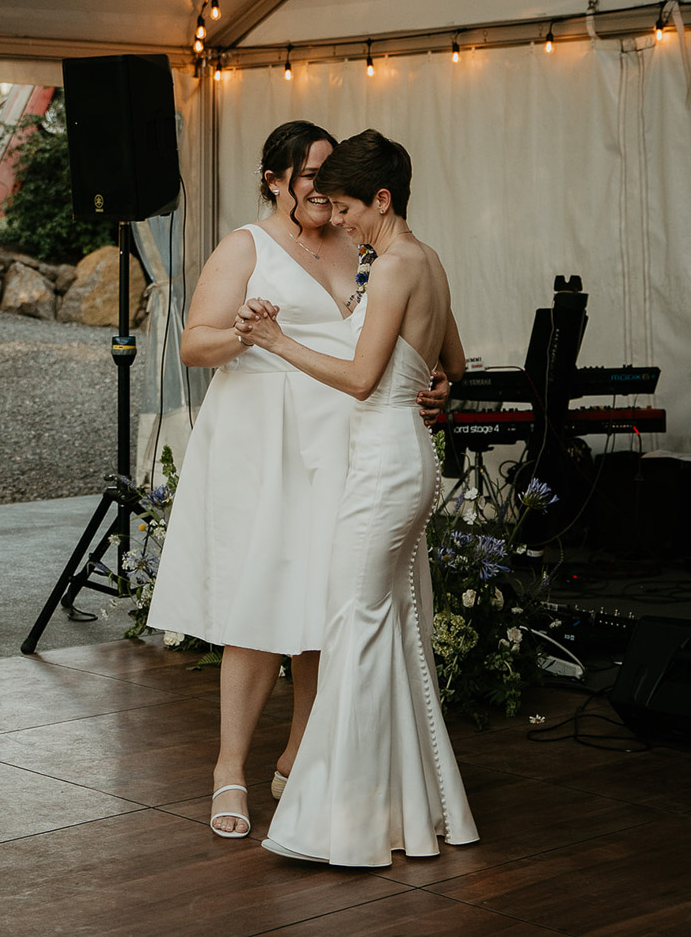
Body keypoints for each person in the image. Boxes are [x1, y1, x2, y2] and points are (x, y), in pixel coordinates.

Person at [147, 121, 450, 839]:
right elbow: (195, 343)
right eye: (308, 173)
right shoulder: (244, 246)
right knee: (257, 611)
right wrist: (247, 334)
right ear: (274, 179)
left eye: (328, 173)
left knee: (325, 609)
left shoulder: (364, 243)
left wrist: (430, 384)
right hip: (266, 445)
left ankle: (296, 760)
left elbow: (403, 339)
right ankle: (229, 769)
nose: (319, 187)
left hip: (345, 441)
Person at [236, 128, 479, 867]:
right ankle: (405, 809)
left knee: (357, 631)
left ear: (380, 198)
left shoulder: (398, 262)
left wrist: (277, 341)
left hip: (381, 465)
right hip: (403, 456)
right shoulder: (422, 258)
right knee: (388, 632)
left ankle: (346, 816)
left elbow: (361, 378)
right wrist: (433, 387)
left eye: (344, 206)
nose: (336, 219)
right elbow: (455, 365)